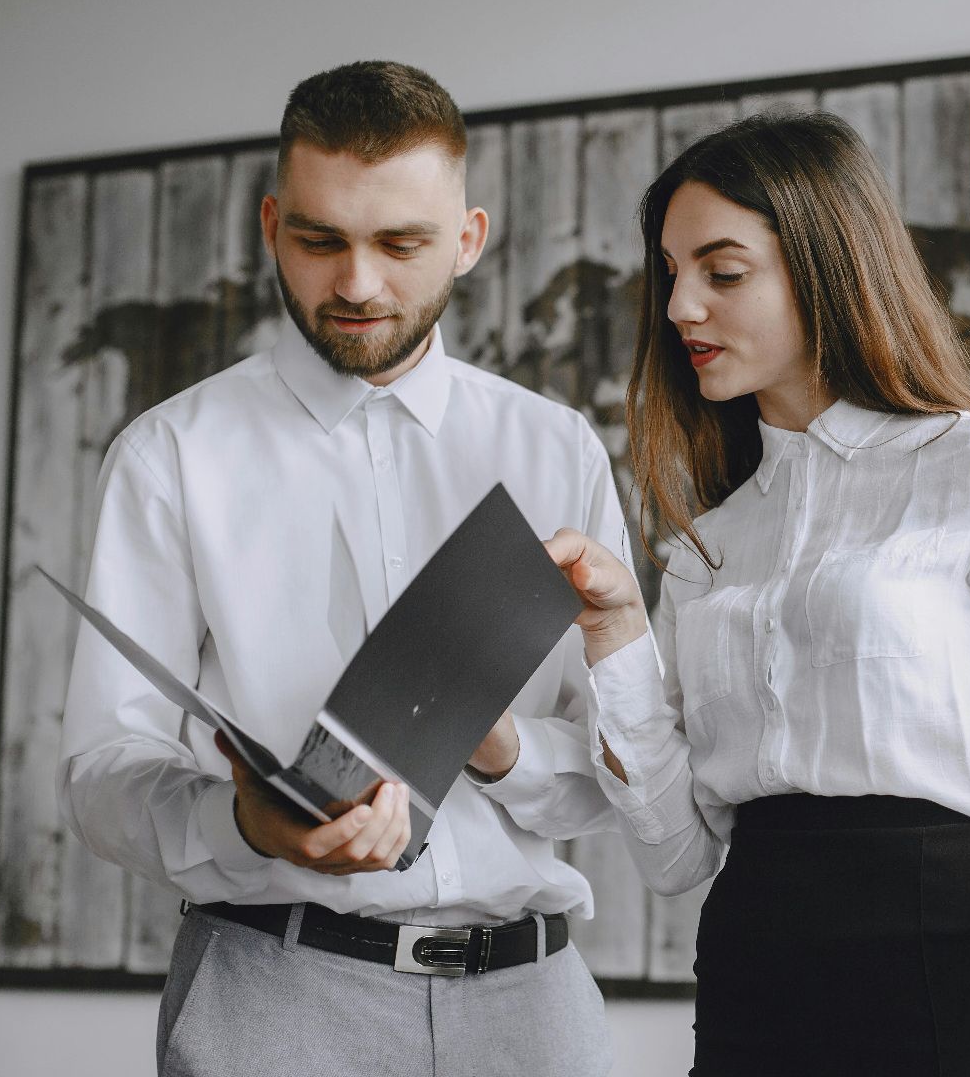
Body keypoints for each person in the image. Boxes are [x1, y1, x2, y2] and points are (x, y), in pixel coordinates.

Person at [539, 112, 970, 1076]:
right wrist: (619, 635)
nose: (679, 308)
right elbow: (675, 857)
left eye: (723, 272)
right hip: (754, 977)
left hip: (951, 968)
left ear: (826, 268)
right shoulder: (707, 545)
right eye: (670, 274)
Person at [58, 61, 617, 1076]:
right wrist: (246, 825)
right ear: (272, 226)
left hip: (535, 1012)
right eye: (320, 241)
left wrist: (499, 749)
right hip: (275, 999)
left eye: (400, 244)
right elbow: (102, 773)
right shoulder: (171, 455)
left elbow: (617, 769)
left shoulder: (557, 449)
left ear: (468, 240)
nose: (356, 284)